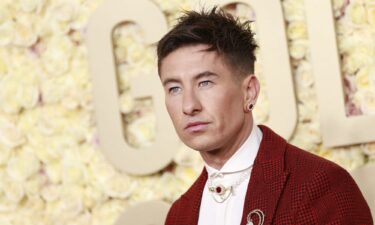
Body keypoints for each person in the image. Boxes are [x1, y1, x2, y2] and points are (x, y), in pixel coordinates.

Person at [156, 7, 373, 225]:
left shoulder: (320, 186)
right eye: (174, 88)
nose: (189, 105)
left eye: (205, 83)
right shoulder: (179, 215)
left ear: (249, 91)